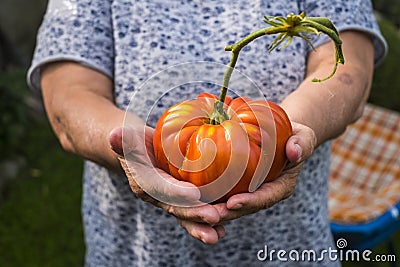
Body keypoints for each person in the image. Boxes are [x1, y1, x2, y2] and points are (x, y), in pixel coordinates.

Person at [28, 0, 386, 266]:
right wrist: (133, 147)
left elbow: (347, 66)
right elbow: (68, 95)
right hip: (134, 254)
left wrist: (282, 138)